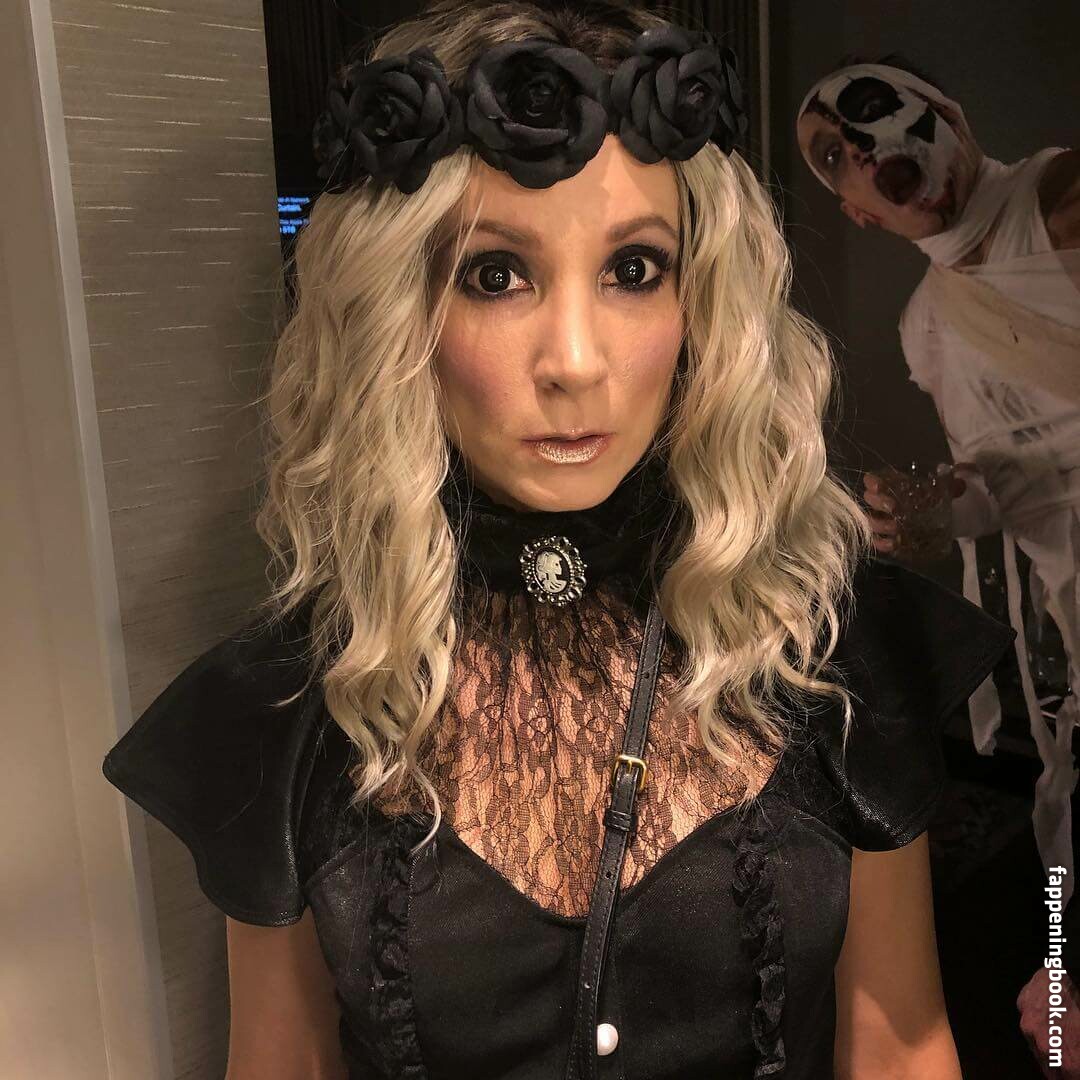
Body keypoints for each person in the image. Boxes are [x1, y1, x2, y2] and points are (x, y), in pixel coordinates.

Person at [103, 7, 1015, 1078]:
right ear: (397, 310)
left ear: (702, 300)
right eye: (494, 275)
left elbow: (901, 1050)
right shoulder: (288, 706)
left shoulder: (839, 649)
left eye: (635, 269)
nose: (576, 361)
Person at [795, 57, 1080, 1074]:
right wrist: (925, 511)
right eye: (839, 156)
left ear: (949, 114)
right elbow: (1006, 486)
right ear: (856, 212)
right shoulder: (926, 325)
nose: (871, 150)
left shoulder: (1058, 200)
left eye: (880, 112)